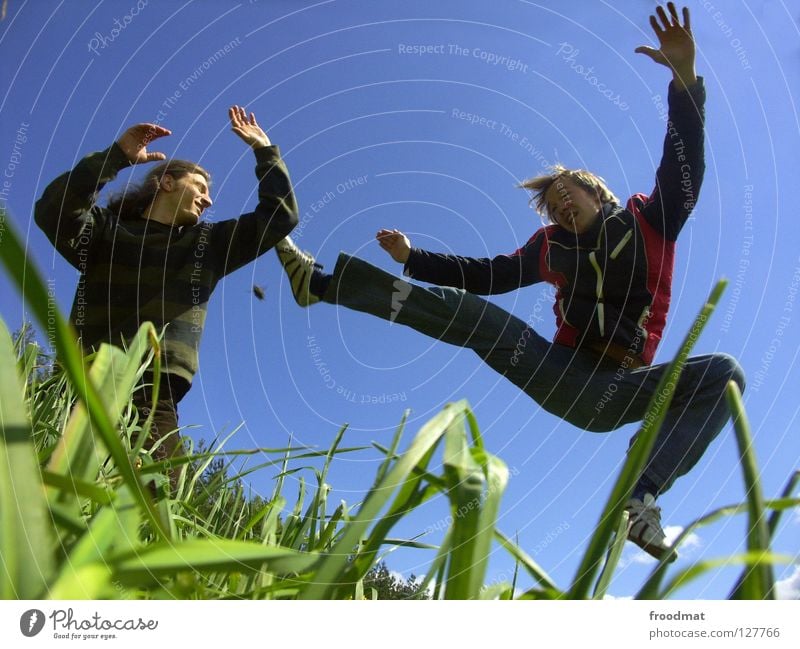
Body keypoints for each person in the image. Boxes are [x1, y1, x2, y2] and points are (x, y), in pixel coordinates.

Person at [273, 3, 745, 561]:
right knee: (478, 318)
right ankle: (322, 287)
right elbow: (487, 276)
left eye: (568, 191)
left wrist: (686, 81)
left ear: (600, 193)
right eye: (551, 204)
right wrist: (412, 257)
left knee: (724, 374)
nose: (560, 204)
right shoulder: (548, 249)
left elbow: (682, 158)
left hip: (623, 388)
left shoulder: (653, 220)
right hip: (562, 374)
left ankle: (641, 499)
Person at [35, 106, 298, 487]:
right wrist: (116, 158)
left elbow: (280, 218)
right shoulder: (107, 232)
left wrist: (265, 150)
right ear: (167, 183)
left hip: (154, 394)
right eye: (201, 188)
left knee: (160, 501)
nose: (208, 201)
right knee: (57, 488)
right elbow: (53, 211)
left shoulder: (208, 245)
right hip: (83, 380)